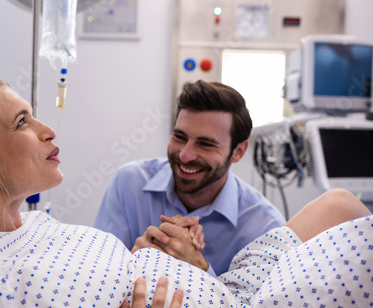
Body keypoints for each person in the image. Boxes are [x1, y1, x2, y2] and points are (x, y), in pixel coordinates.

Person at [0, 65, 373, 308]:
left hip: (230, 291)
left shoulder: (31, 223)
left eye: (206, 145)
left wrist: (190, 268)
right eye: (22, 122)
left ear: (238, 153)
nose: (47, 130)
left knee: (342, 205)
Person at [94, 80, 285, 275]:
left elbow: (249, 305)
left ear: (238, 151)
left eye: (205, 144)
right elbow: (99, 275)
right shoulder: (129, 183)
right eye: (179, 137)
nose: (185, 155)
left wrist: (199, 268)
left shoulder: (265, 227)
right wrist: (135, 261)